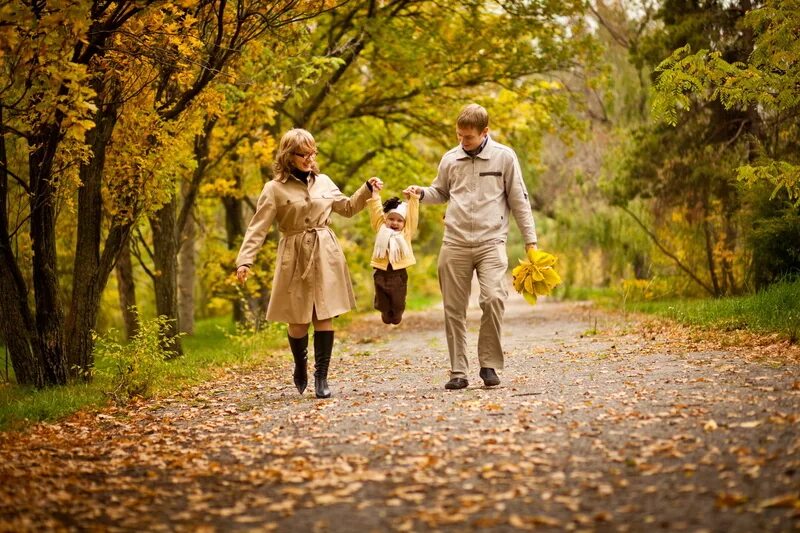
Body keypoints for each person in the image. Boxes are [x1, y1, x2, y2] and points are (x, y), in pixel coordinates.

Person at [235, 128, 379, 399]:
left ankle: (321, 377)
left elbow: (347, 208)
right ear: (289, 156)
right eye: (304, 154)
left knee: (324, 314)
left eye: (313, 152)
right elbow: (258, 228)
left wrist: (366, 190)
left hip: (326, 253)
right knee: (298, 321)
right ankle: (300, 365)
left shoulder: (324, 182)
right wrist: (245, 261)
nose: (310, 159)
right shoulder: (274, 189)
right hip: (294, 255)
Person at [404, 104, 538, 390]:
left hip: (491, 242)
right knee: (453, 308)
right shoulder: (450, 159)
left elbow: (519, 201)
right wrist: (421, 193)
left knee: (493, 298)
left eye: (468, 137)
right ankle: (458, 371)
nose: (462, 142)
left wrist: (531, 242)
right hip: (455, 242)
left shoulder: (504, 157)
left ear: (485, 132)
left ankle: (488, 363)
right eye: (459, 135)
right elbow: (440, 192)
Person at [367, 187, 420, 325]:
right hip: (381, 272)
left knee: (397, 302)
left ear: (404, 223)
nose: (395, 223)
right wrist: (375, 195)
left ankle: (397, 313)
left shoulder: (406, 233)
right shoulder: (381, 229)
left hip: (398, 273)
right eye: (391, 219)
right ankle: (384, 311)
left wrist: (413, 199)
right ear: (385, 220)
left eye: (399, 220)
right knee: (382, 302)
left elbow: (413, 216)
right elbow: (375, 213)